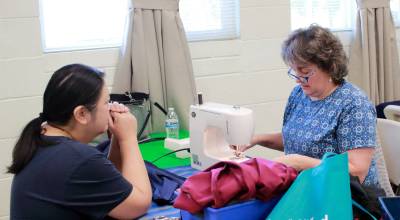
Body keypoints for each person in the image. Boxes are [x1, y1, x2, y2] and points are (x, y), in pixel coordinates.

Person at [239, 24, 379, 186]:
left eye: (305, 72)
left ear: (330, 67)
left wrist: (298, 162)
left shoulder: (354, 104)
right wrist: (257, 138)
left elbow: (357, 172)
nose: (298, 79)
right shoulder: (299, 94)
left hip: (346, 198)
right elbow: (299, 140)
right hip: (305, 189)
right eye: (294, 71)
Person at [8, 64, 152, 219]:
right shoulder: (79, 159)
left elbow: (110, 187)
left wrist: (118, 137)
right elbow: (139, 204)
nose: (110, 107)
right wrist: (128, 138)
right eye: (106, 102)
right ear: (82, 114)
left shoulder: (41, 139)